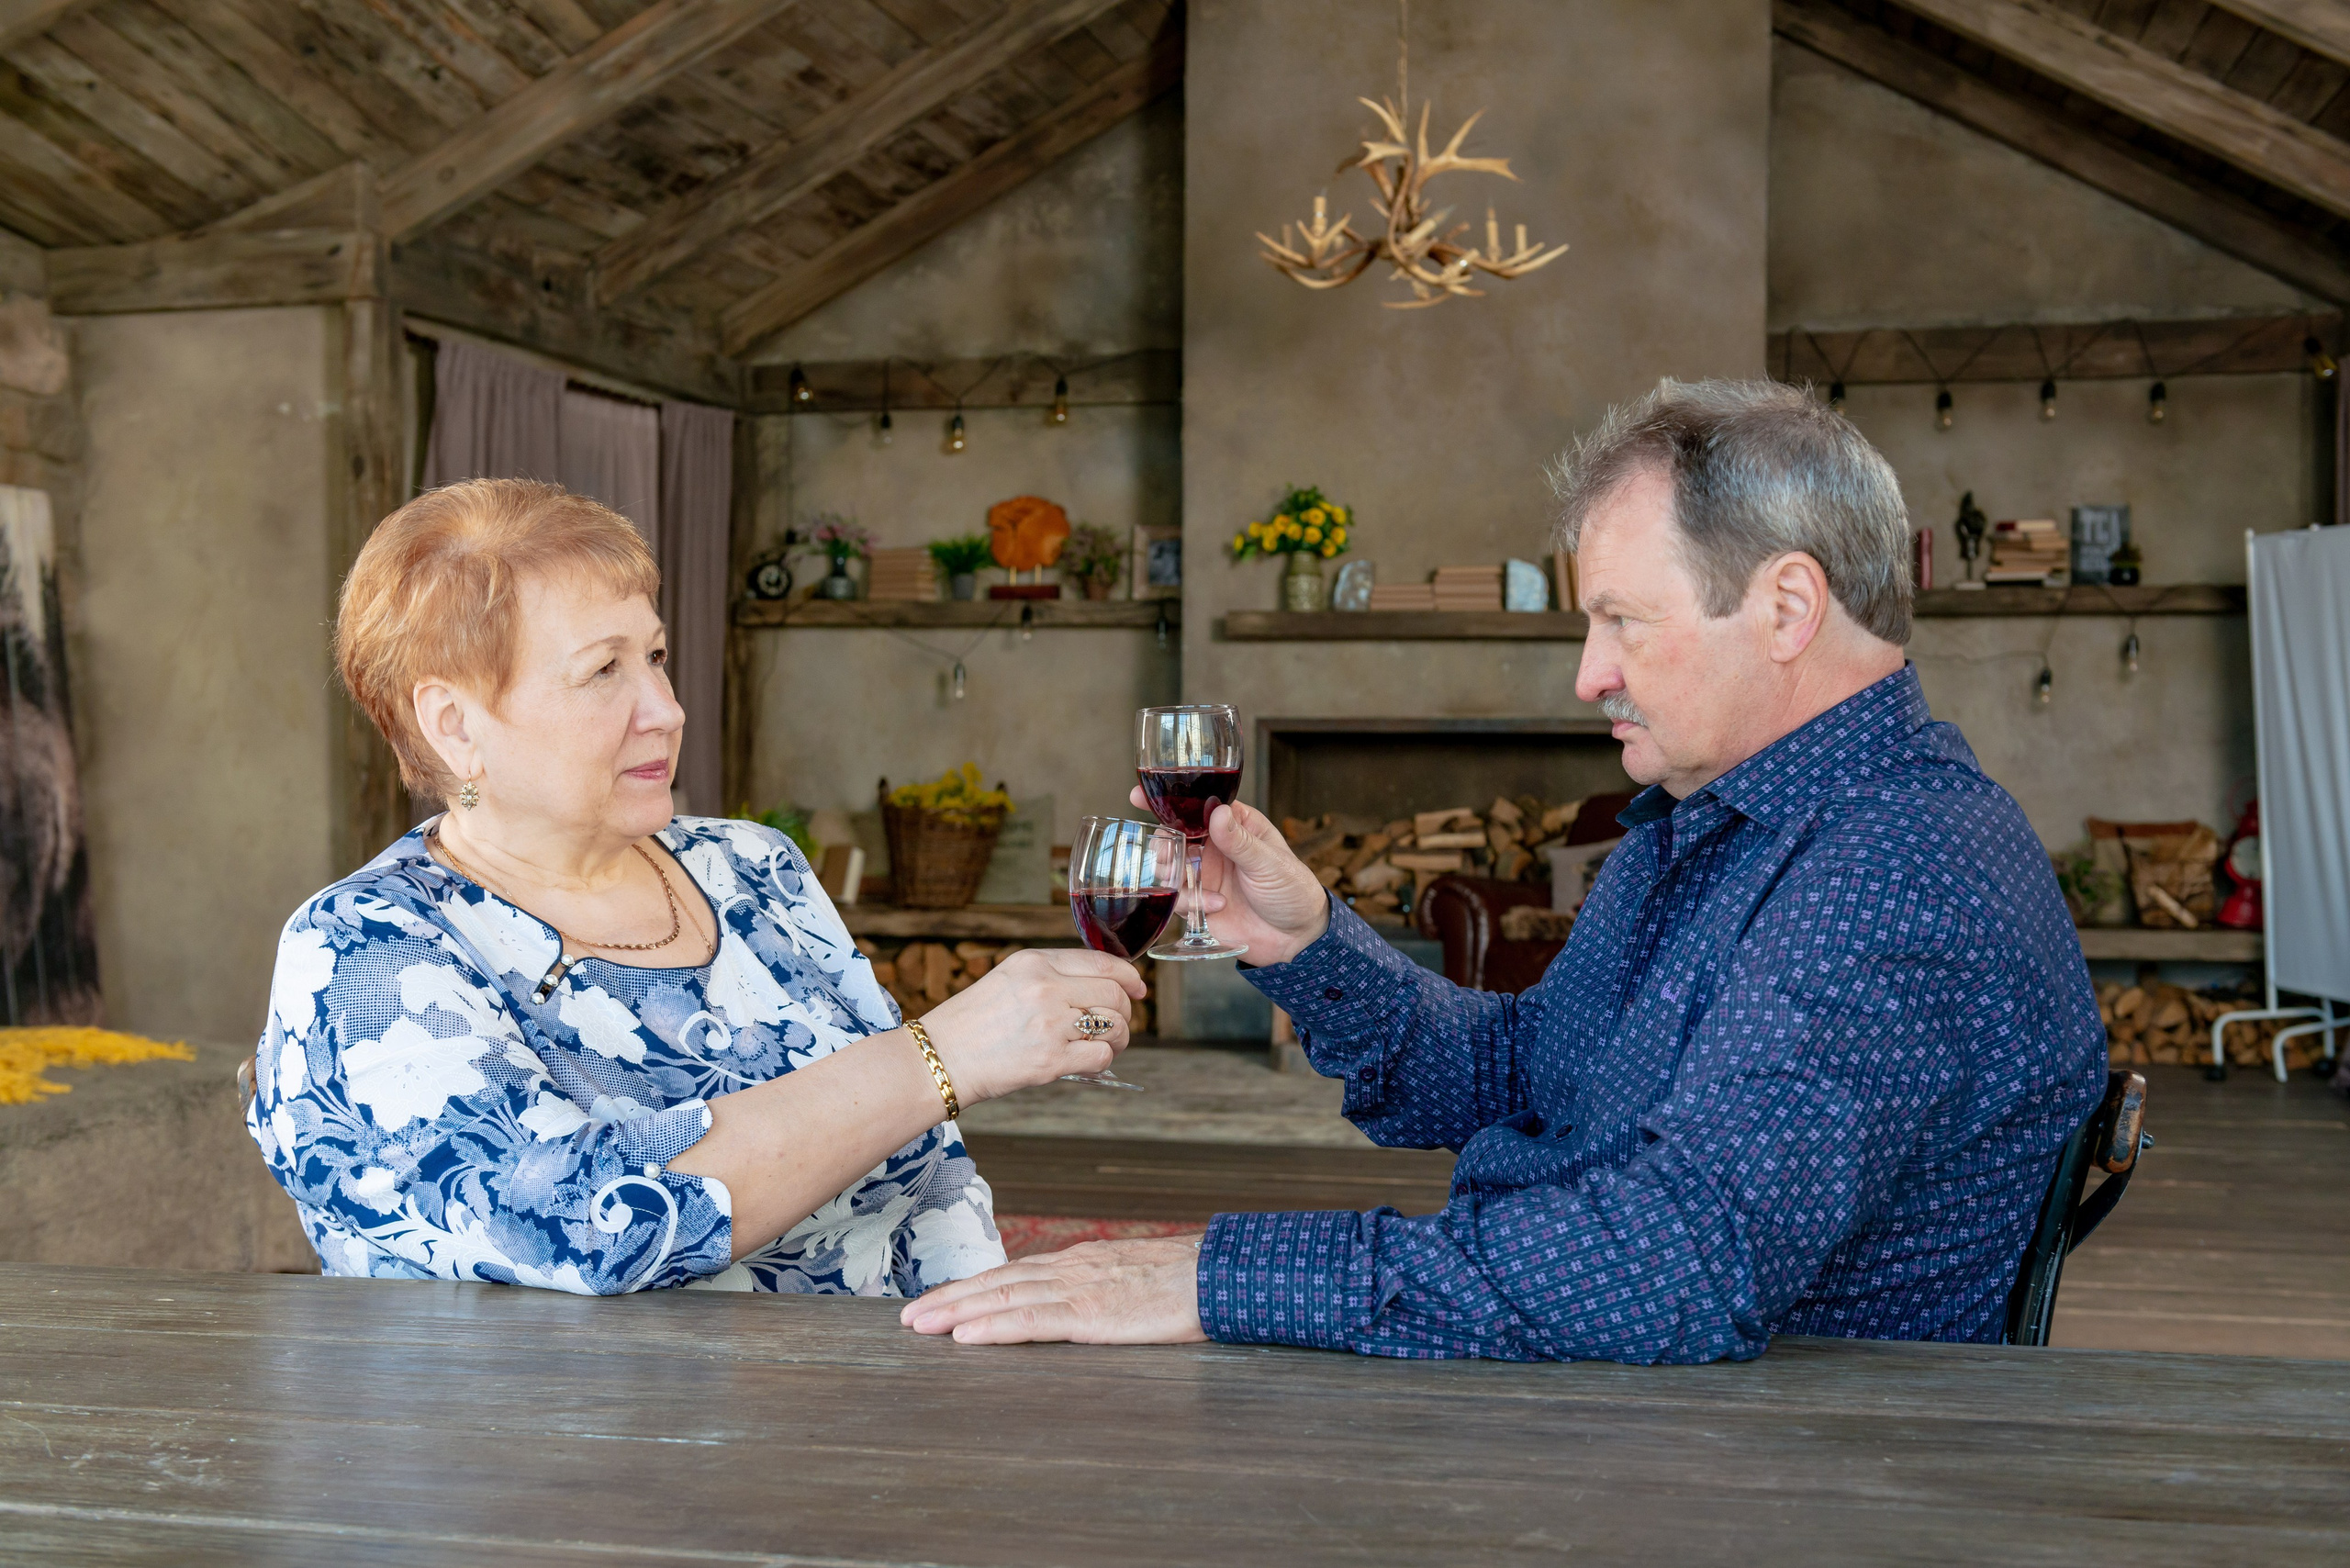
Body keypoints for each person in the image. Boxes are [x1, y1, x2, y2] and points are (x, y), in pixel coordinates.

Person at [902, 378, 2108, 1360]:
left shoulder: (1904, 862)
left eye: (1625, 621)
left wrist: (1219, 1276)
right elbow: (1525, 1070)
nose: (1589, 676)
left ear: (1787, 606)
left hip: (1752, 1469)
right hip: (1616, 1398)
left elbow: (1677, 1266)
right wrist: (1307, 942)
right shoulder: (1715, 820)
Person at [247, 478, 1141, 1294]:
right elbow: (582, 1220)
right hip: (564, 1461)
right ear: (454, 726)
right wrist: (939, 1054)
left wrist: (984, 1360)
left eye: (656, 656)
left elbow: (933, 1178)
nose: (666, 709)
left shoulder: (753, 867)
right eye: (604, 670)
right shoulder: (362, 951)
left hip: (881, 1433)